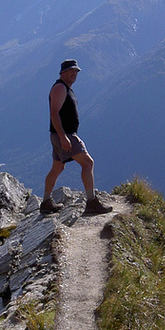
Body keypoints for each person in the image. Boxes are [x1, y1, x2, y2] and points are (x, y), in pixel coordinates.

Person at [40, 59, 113, 215]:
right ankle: (91, 202)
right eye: (71, 71)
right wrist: (63, 136)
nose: (74, 74)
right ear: (63, 72)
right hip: (64, 134)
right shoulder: (60, 88)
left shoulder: (64, 87)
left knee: (57, 167)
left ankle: (46, 202)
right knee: (88, 163)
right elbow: (54, 113)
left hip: (60, 134)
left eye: (76, 72)